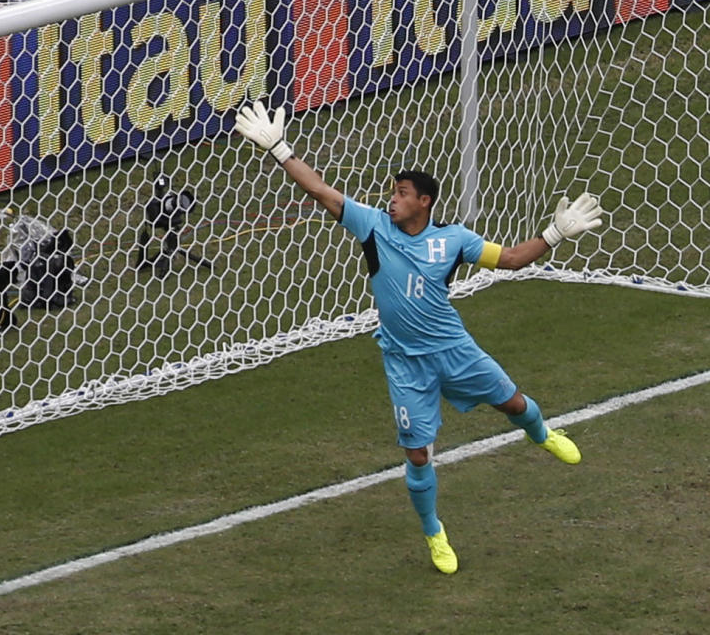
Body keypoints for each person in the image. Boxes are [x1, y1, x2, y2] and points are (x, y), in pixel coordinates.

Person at [233, 101, 604, 574]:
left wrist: (554, 234)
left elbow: (510, 259)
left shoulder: (453, 240)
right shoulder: (372, 226)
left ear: (424, 201)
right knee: (416, 451)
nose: (392, 199)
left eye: (402, 193)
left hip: (455, 350)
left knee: (513, 404)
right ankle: (434, 532)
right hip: (404, 361)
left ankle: (543, 434)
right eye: (393, 192)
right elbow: (321, 191)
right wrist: (280, 149)